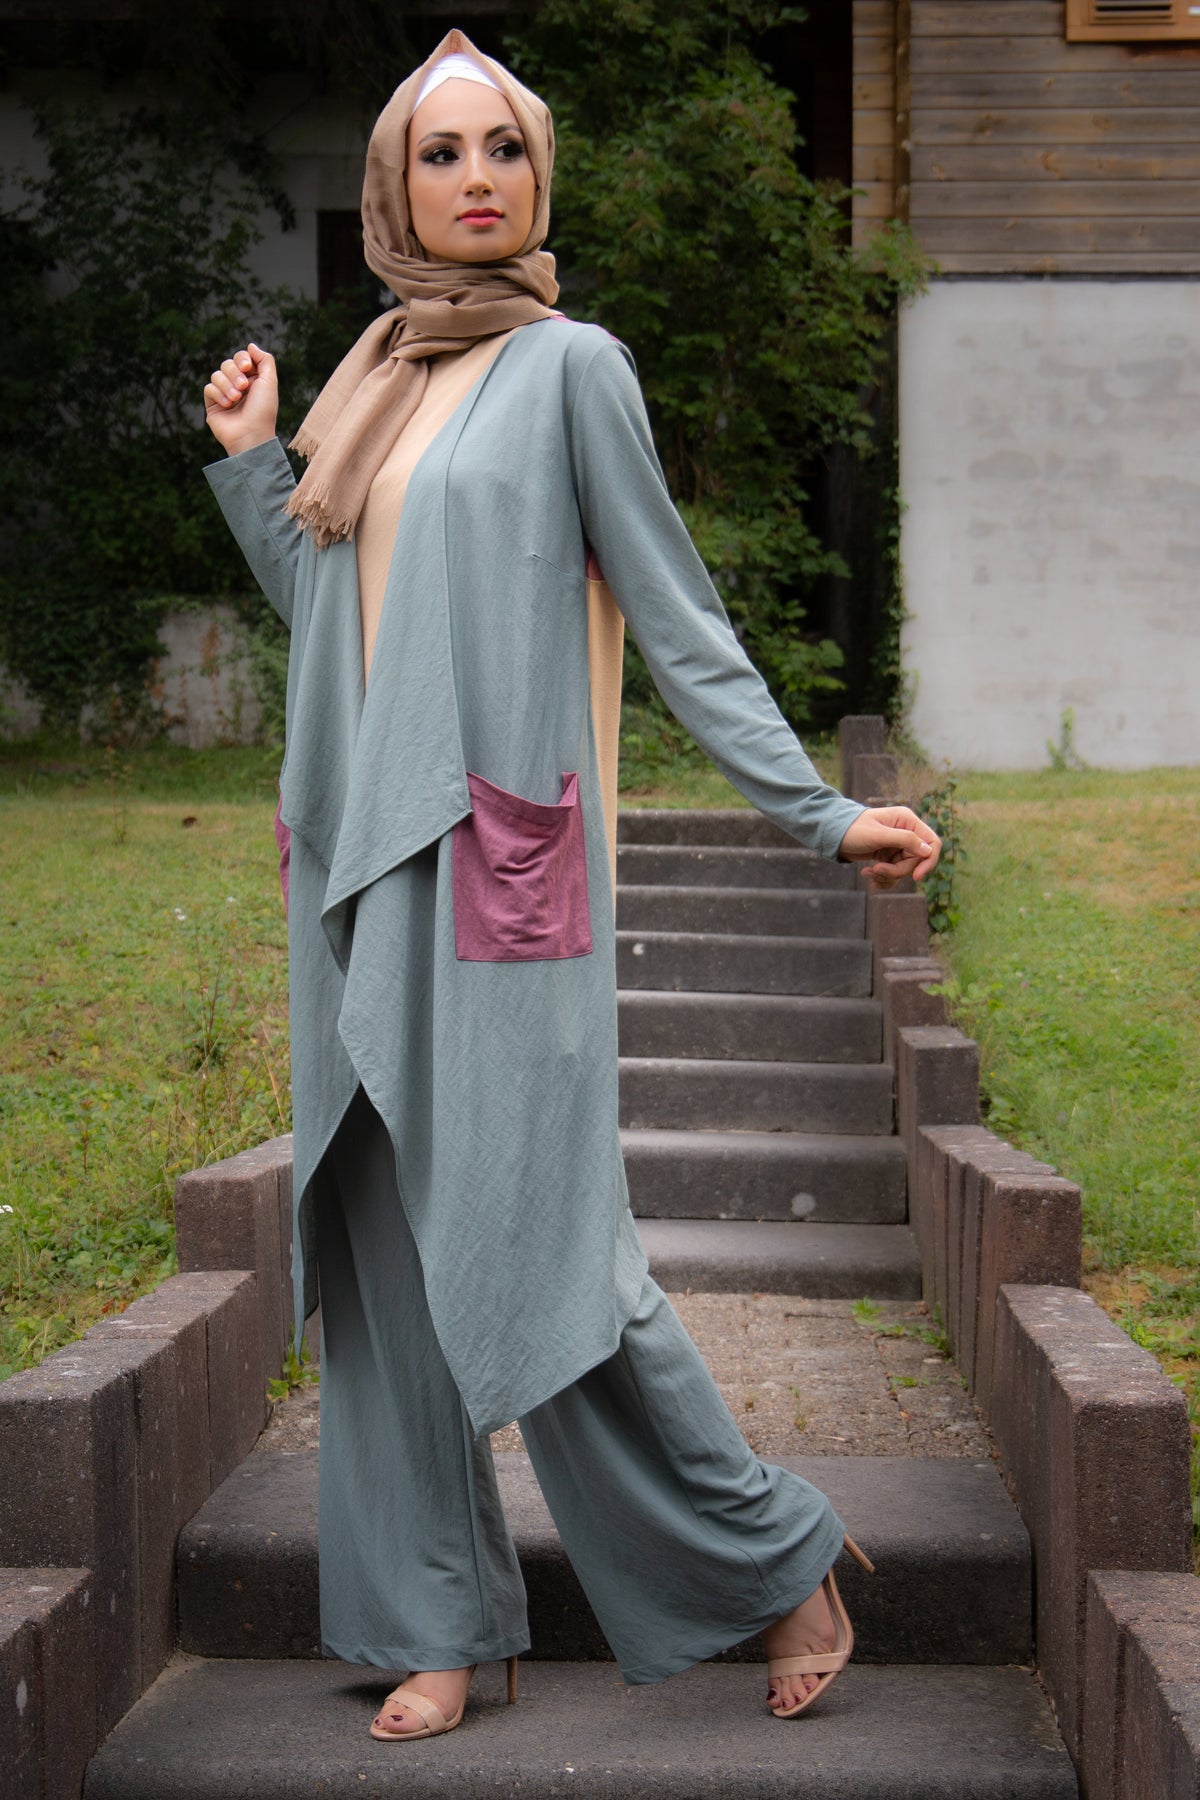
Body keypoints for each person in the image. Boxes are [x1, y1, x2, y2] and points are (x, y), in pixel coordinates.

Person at [202, 28, 941, 1744]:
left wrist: (818, 811)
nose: (476, 180)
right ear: (392, 189)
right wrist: (255, 461)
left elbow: (678, 615)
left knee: (543, 1251)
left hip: (501, 877)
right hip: (355, 867)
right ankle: (437, 1618)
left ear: (539, 178)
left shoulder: (572, 368)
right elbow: (336, 625)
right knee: (380, 1250)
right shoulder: (370, 382)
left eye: (504, 151)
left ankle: (774, 1559)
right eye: (440, 153)